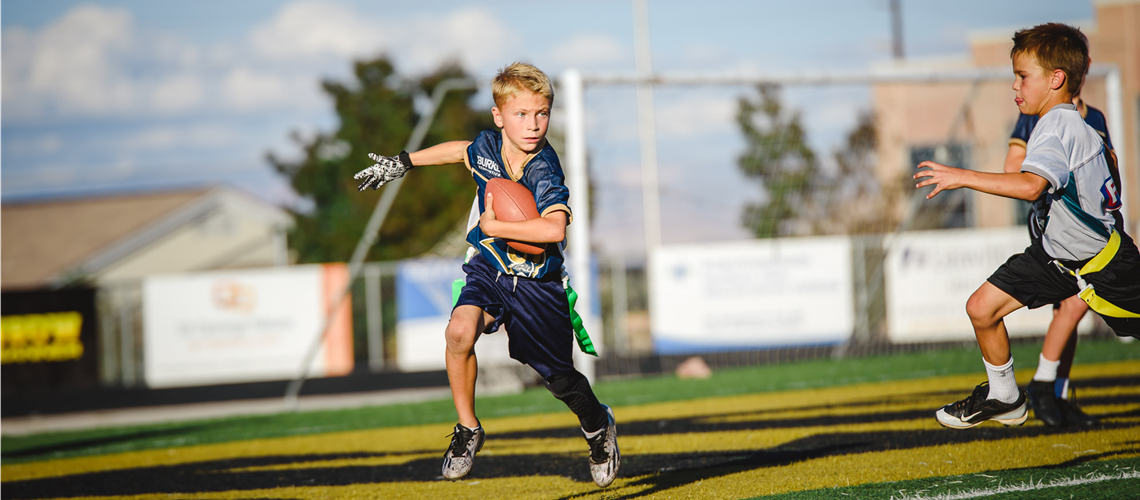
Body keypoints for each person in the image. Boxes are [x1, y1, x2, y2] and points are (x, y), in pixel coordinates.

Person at [352, 62, 620, 487]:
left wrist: (496, 227)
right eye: (521, 114)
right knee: (459, 332)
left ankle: (597, 425)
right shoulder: (487, 147)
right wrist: (404, 162)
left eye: (542, 114)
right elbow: (461, 150)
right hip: (489, 267)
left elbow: (553, 229)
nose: (533, 125)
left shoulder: (543, 167)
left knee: (559, 377)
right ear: (499, 117)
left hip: (537, 284)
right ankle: (467, 429)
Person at [915, 22, 1140, 429]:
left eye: (1022, 76)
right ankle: (1005, 396)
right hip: (1057, 257)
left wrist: (960, 175)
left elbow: (1030, 184)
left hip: (1103, 265)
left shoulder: (1056, 125)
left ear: (1056, 79)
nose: (1015, 86)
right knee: (981, 308)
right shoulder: (1075, 125)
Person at [1003, 89, 1114, 427]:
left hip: (1090, 228)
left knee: (1071, 311)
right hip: (1054, 223)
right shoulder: (1036, 114)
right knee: (1077, 301)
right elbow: (1014, 170)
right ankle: (1042, 384)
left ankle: (1058, 393)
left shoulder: (1094, 117)